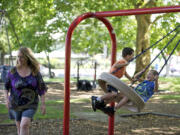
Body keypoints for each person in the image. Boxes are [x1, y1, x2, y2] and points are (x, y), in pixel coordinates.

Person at [4, 47, 47, 135]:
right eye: (18, 57)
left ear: (27, 57)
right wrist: (6, 100)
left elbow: (41, 88)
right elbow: (6, 87)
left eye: (22, 57)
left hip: (30, 103)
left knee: (24, 125)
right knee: (19, 128)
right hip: (15, 104)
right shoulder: (12, 71)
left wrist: (43, 104)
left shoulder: (35, 72)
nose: (19, 59)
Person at [92, 69, 159, 116]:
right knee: (115, 96)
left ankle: (113, 109)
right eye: (147, 73)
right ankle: (100, 104)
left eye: (150, 74)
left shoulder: (153, 84)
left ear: (154, 77)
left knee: (126, 96)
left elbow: (156, 90)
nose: (148, 75)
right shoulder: (145, 81)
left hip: (138, 99)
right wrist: (141, 72)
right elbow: (135, 77)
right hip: (132, 95)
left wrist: (156, 80)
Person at [91, 47, 134, 115]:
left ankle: (101, 104)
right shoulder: (122, 61)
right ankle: (97, 99)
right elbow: (116, 65)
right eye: (132, 55)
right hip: (112, 80)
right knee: (113, 94)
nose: (133, 57)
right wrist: (125, 64)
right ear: (128, 55)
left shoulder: (124, 64)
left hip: (115, 82)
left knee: (113, 95)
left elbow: (125, 73)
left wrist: (131, 79)